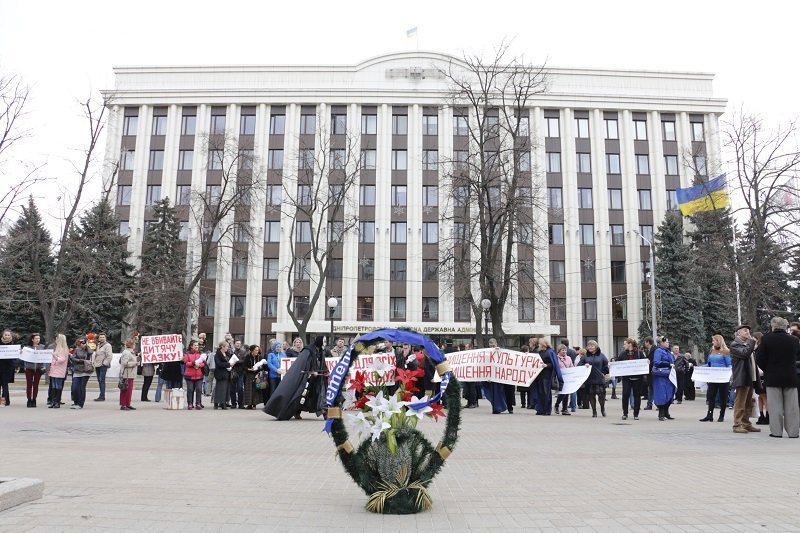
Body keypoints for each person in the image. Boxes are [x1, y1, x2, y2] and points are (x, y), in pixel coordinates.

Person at [264, 336, 328, 420]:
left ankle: (325, 413)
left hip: (318, 378)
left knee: (321, 394)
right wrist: (312, 371)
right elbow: (304, 363)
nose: (324, 343)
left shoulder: (321, 350)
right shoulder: (308, 350)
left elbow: (322, 362)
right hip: (306, 378)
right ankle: (296, 412)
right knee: (300, 394)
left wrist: (326, 370)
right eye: (323, 341)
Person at [756, 317, 800, 438]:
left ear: (773, 326)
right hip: (790, 376)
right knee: (792, 407)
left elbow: (759, 357)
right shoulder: (794, 340)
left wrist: (767, 368)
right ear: (786, 326)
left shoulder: (766, 339)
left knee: (775, 407)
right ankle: (793, 432)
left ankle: (776, 432)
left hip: (772, 376)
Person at [730, 324, 761, 434]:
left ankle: (746, 423)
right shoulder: (735, 345)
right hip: (742, 377)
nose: (748, 333)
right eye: (745, 331)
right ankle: (737, 424)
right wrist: (752, 343)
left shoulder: (747, 344)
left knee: (748, 402)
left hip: (750, 377)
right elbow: (745, 354)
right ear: (738, 333)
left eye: (748, 331)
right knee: (740, 402)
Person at [699, 335, 731, 422]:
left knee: (723, 396)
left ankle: (721, 415)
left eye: (714, 340)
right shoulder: (712, 351)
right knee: (711, 396)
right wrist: (699, 368)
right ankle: (709, 415)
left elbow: (729, 365)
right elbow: (709, 364)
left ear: (719, 341)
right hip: (713, 377)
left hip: (722, 378)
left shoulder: (726, 351)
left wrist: (726, 372)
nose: (712, 342)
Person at [578, 340, 610, 418]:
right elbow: (579, 365)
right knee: (591, 396)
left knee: (601, 396)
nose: (590, 347)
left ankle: (602, 409)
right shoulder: (585, 356)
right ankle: (594, 411)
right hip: (589, 379)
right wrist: (584, 365)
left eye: (592, 346)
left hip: (599, 379)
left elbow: (606, 366)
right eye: (589, 346)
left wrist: (604, 372)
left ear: (596, 347)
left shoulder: (601, 355)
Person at [481, 338, 512, 414]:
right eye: (490, 345)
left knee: (501, 393)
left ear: (496, 344)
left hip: (500, 376)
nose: (492, 347)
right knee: (492, 393)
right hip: (491, 377)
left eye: (493, 345)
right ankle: (495, 408)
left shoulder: (500, 351)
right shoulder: (487, 353)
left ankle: (505, 407)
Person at [618, 338, 646, 420]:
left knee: (637, 395)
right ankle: (625, 413)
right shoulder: (623, 354)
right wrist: (612, 365)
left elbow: (644, 362)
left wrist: (647, 362)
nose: (624, 346)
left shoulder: (639, 353)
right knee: (625, 394)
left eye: (625, 344)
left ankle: (636, 414)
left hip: (638, 378)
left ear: (630, 344)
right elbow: (618, 363)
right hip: (627, 378)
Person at [651, 336, 676, 421]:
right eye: (666, 342)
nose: (668, 343)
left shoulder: (668, 351)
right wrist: (668, 364)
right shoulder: (658, 351)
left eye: (668, 342)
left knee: (670, 393)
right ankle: (661, 413)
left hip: (669, 375)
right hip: (661, 376)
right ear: (661, 343)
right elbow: (656, 362)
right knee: (661, 394)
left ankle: (666, 412)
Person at [535, 339, 562, 415]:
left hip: (547, 375)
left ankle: (547, 409)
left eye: (540, 344)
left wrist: (546, 365)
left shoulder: (550, 352)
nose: (539, 345)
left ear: (543, 344)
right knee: (540, 392)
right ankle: (541, 409)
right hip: (539, 375)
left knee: (546, 392)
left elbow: (554, 364)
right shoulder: (539, 352)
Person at [69, 337, 93, 409]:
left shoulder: (88, 349)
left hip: (86, 370)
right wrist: (79, 360)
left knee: (82, 387)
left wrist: (87, 346)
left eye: (84, 342)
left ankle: (80, 404)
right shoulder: (77, 349)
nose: (83, 344)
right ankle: (75, 402)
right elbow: (72, 357)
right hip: (77, 370)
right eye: (82, 342)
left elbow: (91, 352)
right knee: (74, 387)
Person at [24, 332, 46, 408]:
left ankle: (34, 400)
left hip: (38, 368)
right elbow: (24, 357)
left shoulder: (42, 347)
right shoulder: (28, 348)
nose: (37, 340)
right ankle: (29, 400)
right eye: (36, 338)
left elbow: (45, 356)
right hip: (29, 368)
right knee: (29, 384)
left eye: (39, 338)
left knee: (36, 385)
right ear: (32, 339)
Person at [47, 334, 69, 409]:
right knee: (53, 386)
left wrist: (54, 356)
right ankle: (53, 401)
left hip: (59, 369)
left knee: (58, 385)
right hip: (54, 369)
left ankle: (57, 402)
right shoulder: (57, 348)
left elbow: (61, 360)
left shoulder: (63, 349)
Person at [183, 340, 205, 410]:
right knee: (190, 389)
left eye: (197, 345)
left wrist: (199, 365)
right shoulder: (187, 354)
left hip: (199, 375)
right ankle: (190, 403)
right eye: (195, 345)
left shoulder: (200, 354)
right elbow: (186, 363)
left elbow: (204, 363)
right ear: (191, 346)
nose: (196, 346)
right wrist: (194, 363)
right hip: (189, 375)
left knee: (199, 389)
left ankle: (198, 403)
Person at [753, 331, 769, 425]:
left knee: (764, 396)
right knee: (760, 397)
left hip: (762, 374)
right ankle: (761, 415)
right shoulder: (755, 348)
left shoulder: (761, 348)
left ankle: (767, 415)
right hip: (757, 374)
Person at [92, 332, 113, 402]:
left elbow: (109, 356)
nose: (102, 338)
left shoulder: (107, 345)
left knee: (101, 380)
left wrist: (104, 363)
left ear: (105, 338)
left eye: (103, 337)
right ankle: (101, 395)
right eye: (100, 337)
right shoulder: (98, 345)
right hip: (97, 365)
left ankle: (102, 396)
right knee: (99, 380)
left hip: (103, 365)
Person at [118, 338, 138, 411]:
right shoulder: (126, 352)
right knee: (125, 390)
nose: (135, 345)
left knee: (129, 390)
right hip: (127, 374)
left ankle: (128, 404)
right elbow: (124, 363)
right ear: (131, 345)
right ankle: (123, 405)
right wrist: (134, 363)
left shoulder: (131, 352)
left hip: (130, 374)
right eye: (134, 344)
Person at [554, 344, 573, 415]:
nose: (564, 351)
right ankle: (557, 404)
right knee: (562, 393)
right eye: (563, 350)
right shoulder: (556, 358)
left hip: (567, 378)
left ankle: (565, 409)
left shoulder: (569, 358)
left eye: (565, 350)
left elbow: (571, 366)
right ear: (559, 351)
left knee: (566, 393)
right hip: (559, 378)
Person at [213, 341, 231, 409]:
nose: (227, 348)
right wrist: (228, 364)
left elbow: (229, 360)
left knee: (226, 389)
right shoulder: (217, 354)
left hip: (227, 373)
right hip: (220, 374)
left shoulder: (227, 354)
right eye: (226, 346)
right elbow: (219, 364)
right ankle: (219, 403)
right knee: (220, 389)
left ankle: (224, 402)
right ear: (222, 347)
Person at [243, 344, 262, 410]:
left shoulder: (259, 357)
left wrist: (259, 368)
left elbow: (262, 366)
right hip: (249, 375)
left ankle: (254, 404)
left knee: (255, 390)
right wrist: (249, 369)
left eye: (257, 350)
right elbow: (244, 366)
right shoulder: (247, 357)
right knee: (249, 390)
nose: (257, 351)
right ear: (252, 351)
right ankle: (249, 405)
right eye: (255, 350)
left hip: (257, 374)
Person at [0, 329, 16, 406]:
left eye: (8, 335)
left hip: (8, 368)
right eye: (5, 335)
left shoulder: (13, 345)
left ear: (11, 336)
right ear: (2, 336)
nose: (6, 336)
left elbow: (15, 359)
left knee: (5, 384)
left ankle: (4, 400)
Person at [230, 339, 247, 409]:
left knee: (240, 388)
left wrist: (236, 362)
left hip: (240, 372)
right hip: (233, 372)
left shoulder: (243, 352)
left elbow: (244, 361)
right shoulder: (231, 352)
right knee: (232, 389)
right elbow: (229, 360)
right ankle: (233, 403)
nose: (238, 344)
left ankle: (241, 404)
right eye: (237, 343)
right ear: (234, 344)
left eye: (239, 343)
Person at [643, 337, 656, 410]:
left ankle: (658, 404)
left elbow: (655, 360)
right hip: (649, 373)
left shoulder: (655, 349)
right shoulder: (647, 350)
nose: (644, 344)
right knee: (650, 389)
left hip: (654, 372)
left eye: (645, 342)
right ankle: (649, 404)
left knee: (655, 389)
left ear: (648, 342)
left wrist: (649, 363)